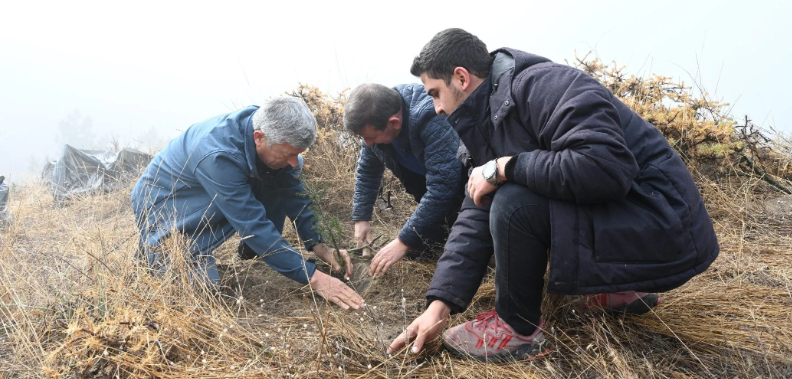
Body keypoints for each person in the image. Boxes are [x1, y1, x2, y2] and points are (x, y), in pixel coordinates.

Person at [388, 28, 719, 361]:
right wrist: (439, 304)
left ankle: (516, 329)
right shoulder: (483, 123)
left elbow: (604, 168)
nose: (436, 108)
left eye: (435, 93)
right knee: (502, 195)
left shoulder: (544, 85)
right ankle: (616, 289)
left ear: (460, 78)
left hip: (662, 221)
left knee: (512, 202)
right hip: (633, 219)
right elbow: (475, 211)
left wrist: (506, 167)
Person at [131, 97, 363, 310]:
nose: (294, 162)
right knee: (201, 292)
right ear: (259, 138)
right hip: (167, 203)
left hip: (213, 191)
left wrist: (320, 244)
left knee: (281, 172)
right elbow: (252, 224)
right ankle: (154, 251)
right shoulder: (218, 156)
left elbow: (297, 196)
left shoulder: (269, 135)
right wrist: (313, 277)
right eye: (287, 153)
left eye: (297, 153)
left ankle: (255, 253)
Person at [344, 83, 464, 276]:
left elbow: (443, 187)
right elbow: (368, 171)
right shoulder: (376, 123)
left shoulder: (430, 118)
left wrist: (403, 241)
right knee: (430, 244)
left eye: (370, 137)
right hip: (426, 184)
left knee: (462, 247)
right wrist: (361, 217)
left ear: (394, 123)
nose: (366, 143)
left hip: (465, 185)